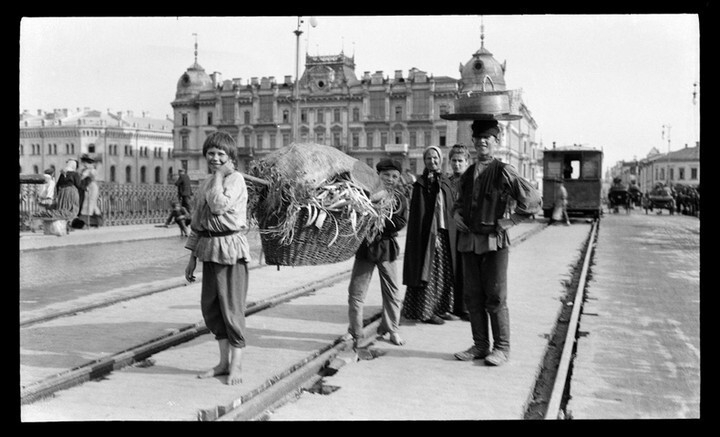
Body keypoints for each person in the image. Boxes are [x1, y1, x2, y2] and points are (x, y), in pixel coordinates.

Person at [453, 119, 542, 366]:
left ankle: (502, 348)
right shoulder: (468, 172)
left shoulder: (504, 170)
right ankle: (480, 345)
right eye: (478, 138)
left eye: (487, 138)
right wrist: (456, 214)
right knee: (473, 297)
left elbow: (533, 199)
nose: (482, 142)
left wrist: (512, 220)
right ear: (473, 142)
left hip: (494, 242)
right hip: (469, 242)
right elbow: (459, 202)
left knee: (496, 297)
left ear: (496, 142)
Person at [184, 131, 251, 385]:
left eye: (221, 154)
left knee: (232, 309)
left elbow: (218, 205)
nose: (214, 158)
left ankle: (237, 366)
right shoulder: (206, 183)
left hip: (231, 250)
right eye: (211, 153)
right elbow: (198, 223)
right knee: (212, 309)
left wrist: (220, 176)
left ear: (231, 157)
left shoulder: (235, 180)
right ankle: (223, 363)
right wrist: (191, 258)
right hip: (209, 249)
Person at [348, 159, 409, 349]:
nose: (390, 179)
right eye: (386, 175)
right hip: (365, 248)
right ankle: (356, 332)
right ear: (378, 176)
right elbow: (355, 216)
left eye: (394, 176)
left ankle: (392, 329)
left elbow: (400, 222)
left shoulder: (400, 199)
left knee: (392, 292)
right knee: (356, 294)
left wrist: (376, 215)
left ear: (398, 179)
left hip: (386, 248)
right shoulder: (365, 194)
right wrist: (373, 211)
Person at [402, 146, 457, 325]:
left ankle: (443, 308)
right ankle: (427, 311)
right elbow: (420, 215)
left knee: (445, 273)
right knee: (429, 273)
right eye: (428, 158)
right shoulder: (420, 184)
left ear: (441, 159)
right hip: (428, 235)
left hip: (445, 232)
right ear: (424, 161)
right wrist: (430, 234)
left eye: (435, 158)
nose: (432, 161)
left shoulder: (446, 181)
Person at [447, 144, 471, 321]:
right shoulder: (446, 182)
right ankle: (453, 306)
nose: (457, 164)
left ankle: (467, 308)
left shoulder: (472, 181)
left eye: (460, 161)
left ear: (467, 162)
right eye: (454, 161)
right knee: (452, 268)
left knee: (468, 269)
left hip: (468, 230)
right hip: (450, 230)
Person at [54, 158, 86, 230]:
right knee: (72, 208)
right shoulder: (74, 174)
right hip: (71, 193)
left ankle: (63, 226)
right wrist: (85, 188)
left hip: (62, 193)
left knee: (63, 208)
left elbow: (58, 184)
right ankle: (69, 225)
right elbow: (78, 184)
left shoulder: (63, 173)